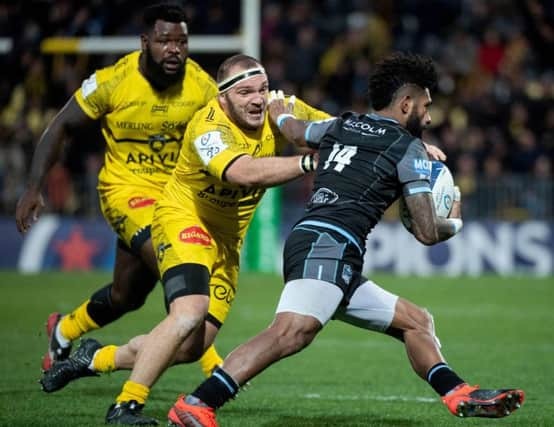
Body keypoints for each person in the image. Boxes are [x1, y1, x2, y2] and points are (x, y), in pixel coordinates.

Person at [165, 52, 525, 427]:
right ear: (406, 104)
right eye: (426, 106)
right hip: (330, 245)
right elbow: (427, 232)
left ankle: (457, 392)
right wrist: (456, 219)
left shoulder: (343, 124)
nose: (430, 117)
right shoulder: (409, 149)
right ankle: (198, 402)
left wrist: (278, 112)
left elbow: (294, 130)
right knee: (292, 331)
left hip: (316, 241)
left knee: (417, 322)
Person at [40, 54, 332, 425]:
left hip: (226, 243)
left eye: (261, 89)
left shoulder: (280, 108)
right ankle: (126, 407)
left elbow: (340, 128)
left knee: (194, 347)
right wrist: (308, 163)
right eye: (245, 93)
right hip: (184, 219)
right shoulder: (207, 126)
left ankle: (95, 358)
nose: (258, 99)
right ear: (223, 98)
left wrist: (408, 145)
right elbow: (241, 172)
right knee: (189, 311)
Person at [14, 3, 223, 379]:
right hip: (126, 191)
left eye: (182, 41)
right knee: (172, 257)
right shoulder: (113, 81)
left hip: (175, 197)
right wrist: (33, 187)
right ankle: (208, 358)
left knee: (127, 296)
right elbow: (60, 125)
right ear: (145, 42)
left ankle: (65, 329)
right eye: (164, 41)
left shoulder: (202, 87)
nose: (174, 49)